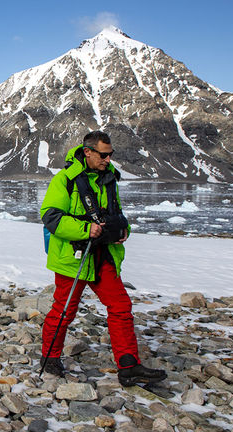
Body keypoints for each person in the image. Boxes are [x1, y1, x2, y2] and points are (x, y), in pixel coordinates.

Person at [39, 130, 167, 387]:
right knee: (64, 310)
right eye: (104, 155)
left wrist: (122, 230)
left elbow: (116, 213)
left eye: (111, 155)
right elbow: (51, 217)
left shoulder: (109, 179)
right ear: (87, 152)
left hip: (103, 255)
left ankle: (129, 366)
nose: (108, 160)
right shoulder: (65, 180)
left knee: (120, 306)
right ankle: (50, 358)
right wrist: (85, 230)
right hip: (72, 258)